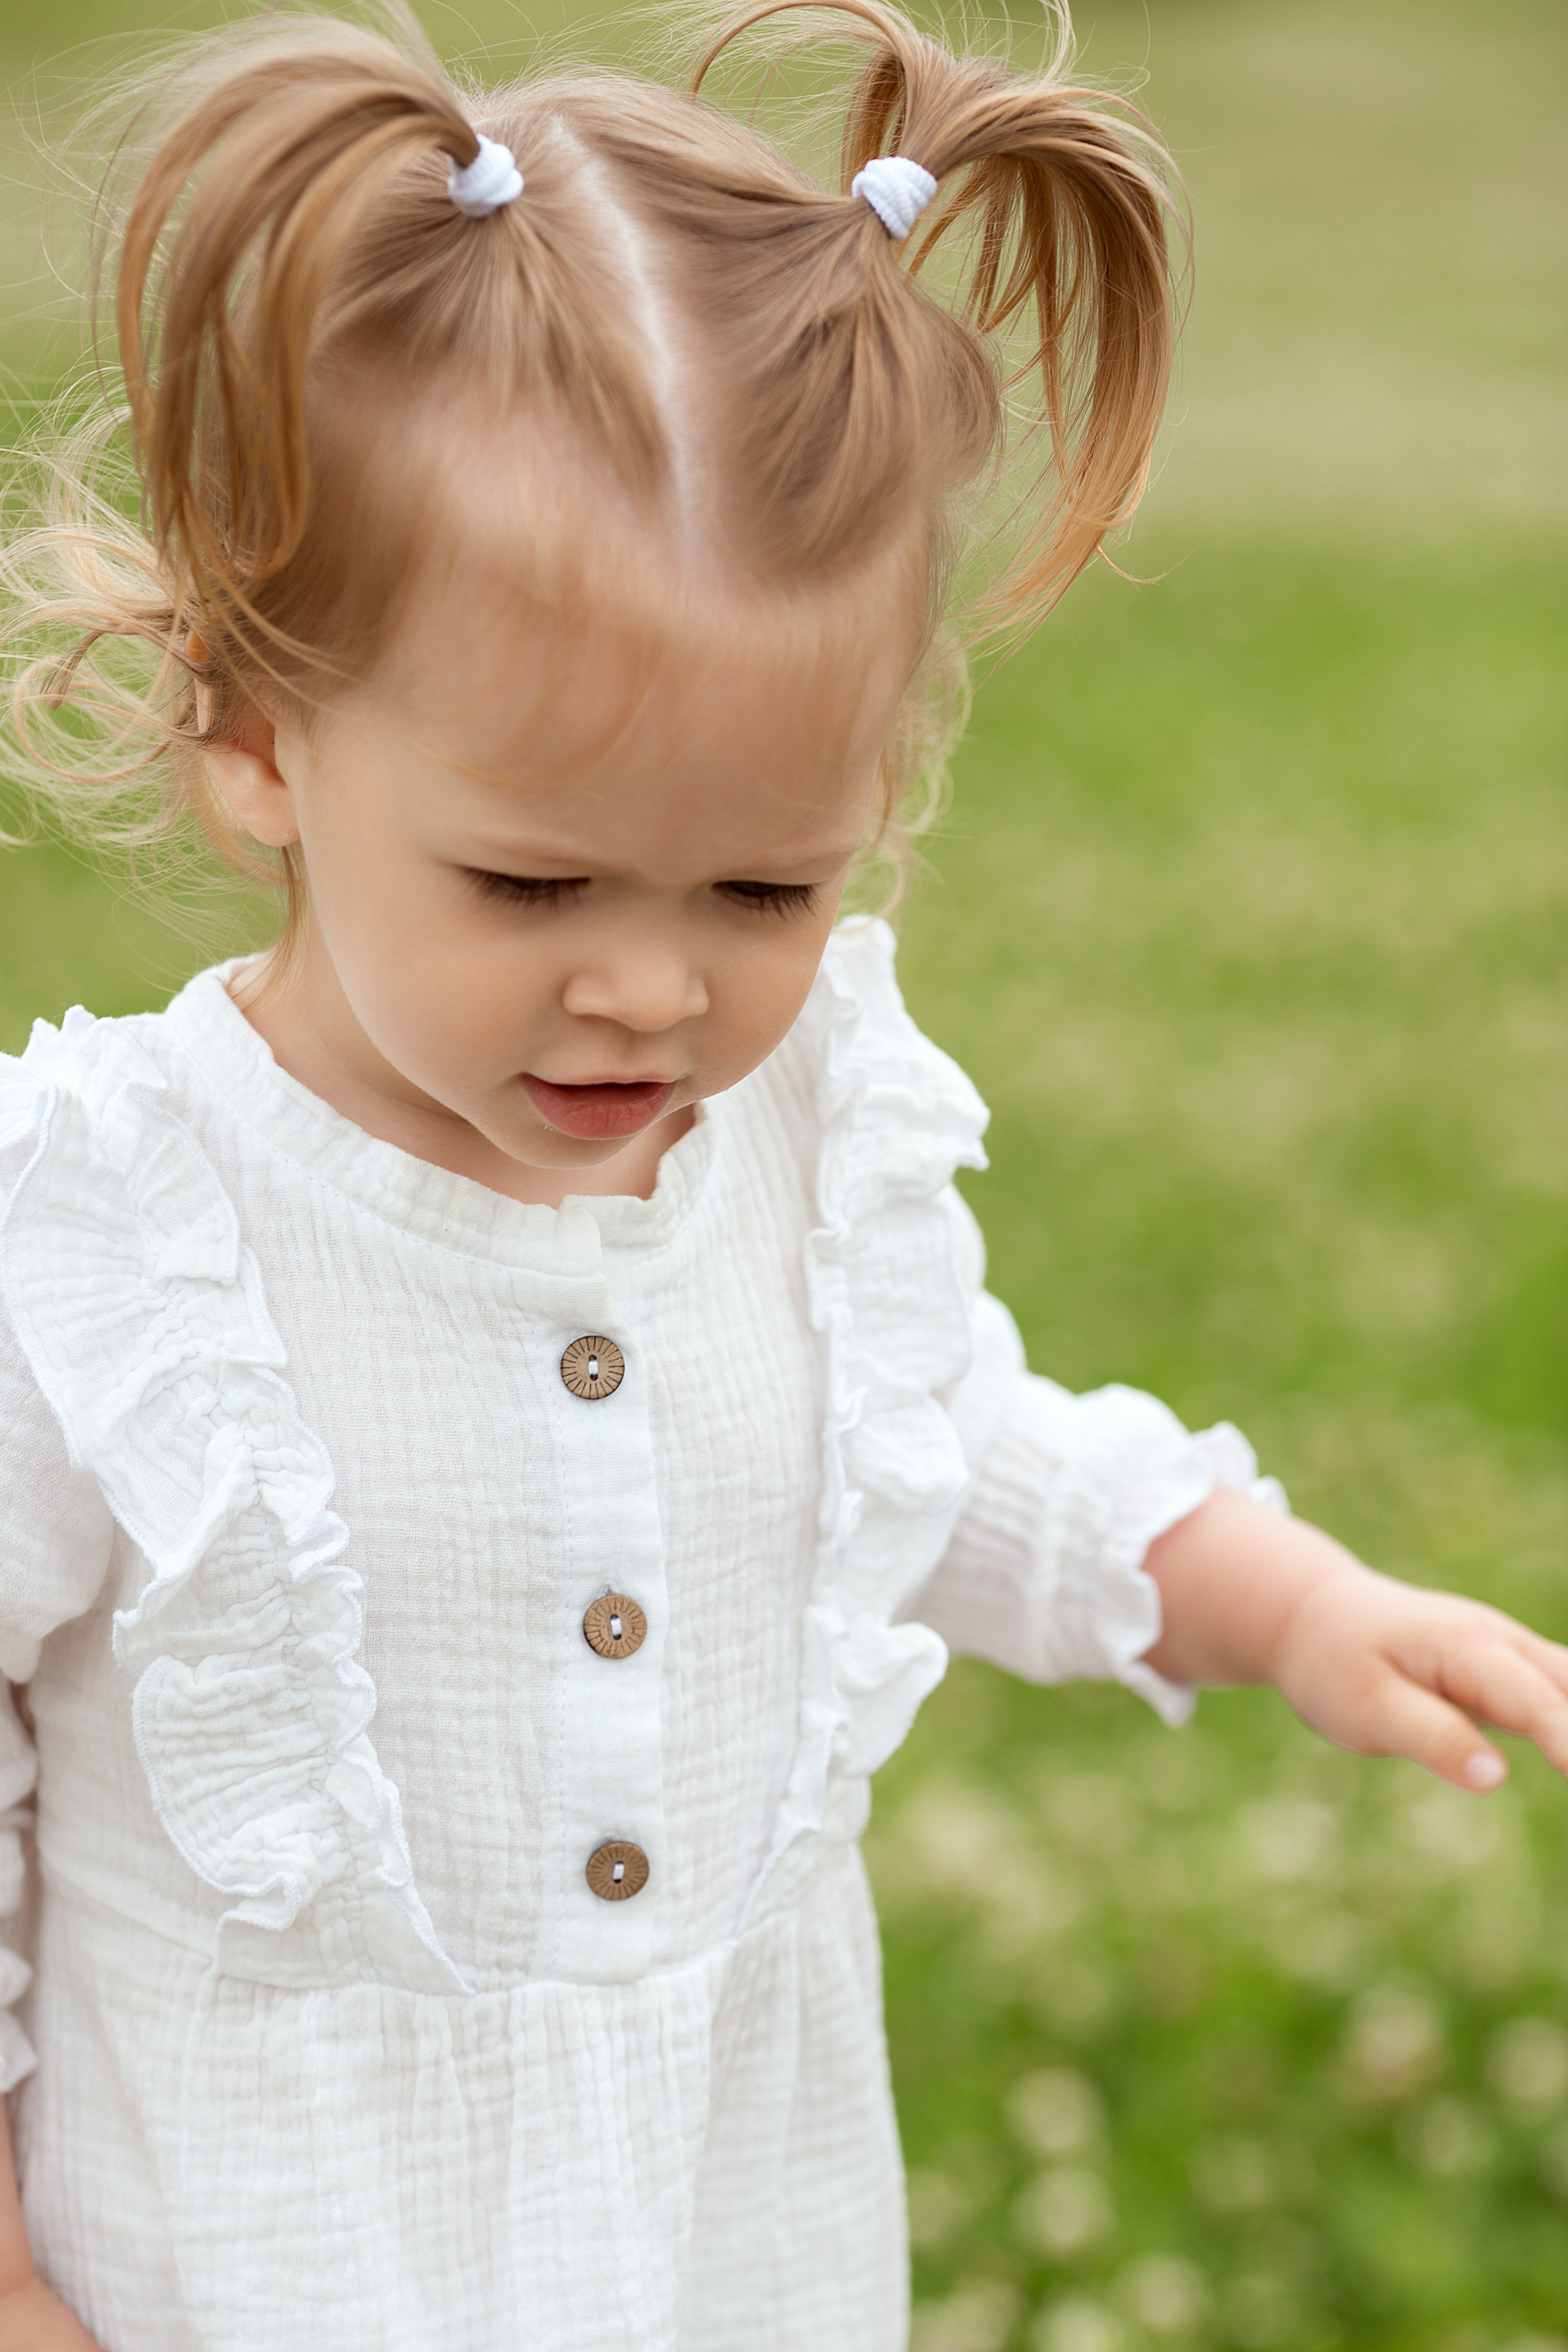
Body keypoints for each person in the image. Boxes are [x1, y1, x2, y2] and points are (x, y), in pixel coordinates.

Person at [0, 2, 1564, 2345]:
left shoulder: (803, 1128)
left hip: (731, 2237)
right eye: (535, 890)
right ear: (254, 735)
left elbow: (921, 1448)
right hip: (249, 2259)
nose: (654, 996)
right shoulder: (117, 1233)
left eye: (761, 894)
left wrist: (1283, 1600)